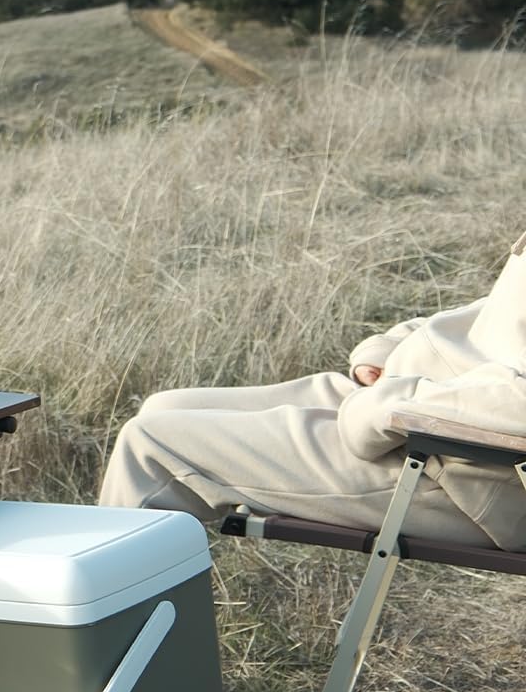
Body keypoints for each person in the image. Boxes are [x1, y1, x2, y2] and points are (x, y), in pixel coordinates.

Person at [98, 231, 526, 551]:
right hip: (420, 406)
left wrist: (382, 408)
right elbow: (490, 316)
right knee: (163, 407)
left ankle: (112, 635)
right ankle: (142, 610)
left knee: (149, 446)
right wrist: (388, 348)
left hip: (458, 467)